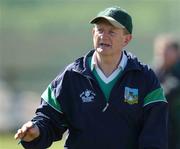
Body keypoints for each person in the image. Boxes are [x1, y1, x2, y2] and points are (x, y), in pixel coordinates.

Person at [14, 6, 168, 149]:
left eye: (111, 31)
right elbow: (49, 118)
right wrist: (36, 131)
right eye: (99, 30)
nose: (103, 36)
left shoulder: (145, 78)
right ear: (93, 34)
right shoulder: (71, 75)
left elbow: (155, 134)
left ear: (126, 39)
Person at [153, 34, 180, 149]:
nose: (162, 54)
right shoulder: (157, 70)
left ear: (176, 52)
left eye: (166, 50)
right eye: (160, 51)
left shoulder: (177, 71)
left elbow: (169, 91)